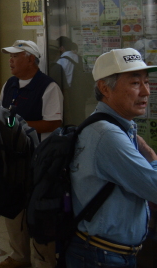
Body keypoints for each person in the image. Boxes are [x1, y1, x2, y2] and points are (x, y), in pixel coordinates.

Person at [65, 48, 157, 268]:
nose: (146, 91)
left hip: (106, 253)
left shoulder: (117, 125)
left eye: (146, 82)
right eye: (135, 83)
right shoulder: (107, 135)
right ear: (105, 88)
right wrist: (152, 157)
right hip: (101, 257)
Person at [0, 40, 63, 268]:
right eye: (10, 56)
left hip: (39, 159)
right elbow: (3, 116)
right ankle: (19, 255)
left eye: (16, 56)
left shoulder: (48, 87)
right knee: (13, 207)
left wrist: (17, 126)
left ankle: (43, 260)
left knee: (39, 210)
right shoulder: (9, 84)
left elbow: (53, 123)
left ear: (31, 59)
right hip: (13, 158)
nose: (10, 61)